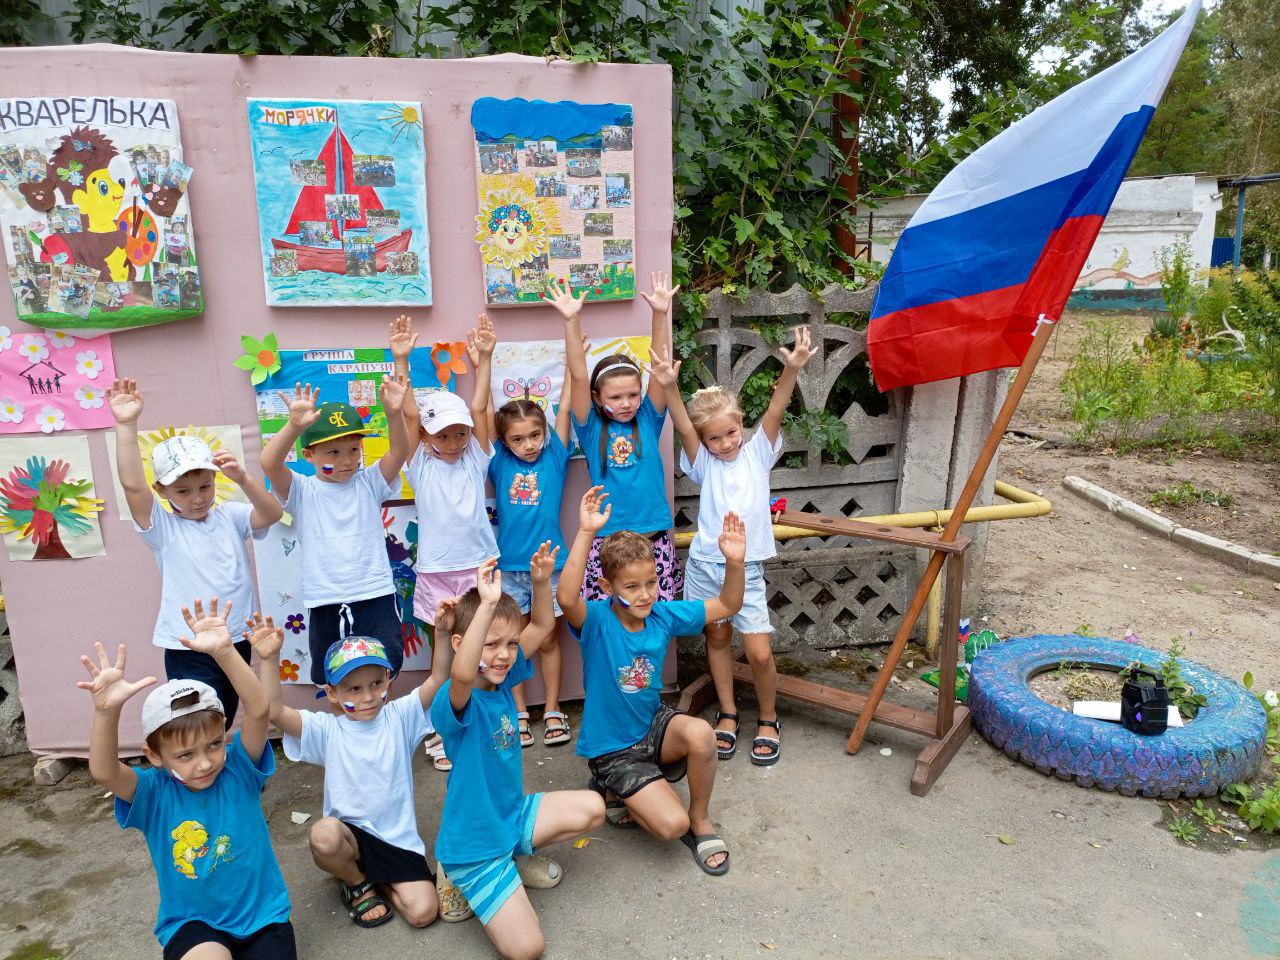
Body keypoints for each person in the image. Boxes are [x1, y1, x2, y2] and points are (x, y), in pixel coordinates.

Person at [77, 599, 295, 959]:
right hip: (194, 924)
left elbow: (258, 709)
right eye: (185, 755)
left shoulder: (239, 768)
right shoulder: (152, 793)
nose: (205, 763)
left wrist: (225, 652)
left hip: (264, 918)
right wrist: (107, 711)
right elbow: (104, 771)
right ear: (154, 756)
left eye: (213, 745)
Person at [557, 487, 746, 877]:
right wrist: (585, 532)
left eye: (650, 582)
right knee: (668, 826)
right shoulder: (596, 620)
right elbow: (565, 596)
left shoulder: (662, 614)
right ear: (608, 588)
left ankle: (701, 819)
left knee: (702, 736)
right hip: (613, 748)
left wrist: (736, 563)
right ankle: (610, 783)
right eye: (631, 586)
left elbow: (728, 605)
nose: (644, 595)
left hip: (653, 724)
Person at [649, 326, 813, 765]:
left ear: (741, 424)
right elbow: (682, 424)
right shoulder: (703, 464)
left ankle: (768, 716)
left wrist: (792, 368)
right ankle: (726, 712)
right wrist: (668, 385)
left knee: (758, 651)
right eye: (713, 438)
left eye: (729, 432)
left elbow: (776, 408)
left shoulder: (759, 452)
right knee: (717, 640)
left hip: (746, 569)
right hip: (705, 565)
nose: (723, 443)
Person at [432, 549, 604, 960]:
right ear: (464, 644)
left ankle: (512, 857)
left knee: (594, 808)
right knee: (529, 948)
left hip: (509, 816)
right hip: (473, 847)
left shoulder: (504, 682)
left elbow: (544, 625)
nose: (505, 654)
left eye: (510, 644)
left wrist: (541, 581)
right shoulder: (456, 700)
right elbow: (459, 670)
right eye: (491, 644)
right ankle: (454, 876)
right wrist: (487, 602)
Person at [249, 612, 456, 929]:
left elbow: (439, 679)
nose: (368, 696)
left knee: (424, 913)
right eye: (354, 689)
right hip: (351, 838)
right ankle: (357, 882)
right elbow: (275, 711)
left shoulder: (400, 716)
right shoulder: (327, 730)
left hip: (398, 842)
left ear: (389, 678)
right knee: (323, 836)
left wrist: (441, 634)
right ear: (332, 693)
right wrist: (269, 658)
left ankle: (380, 880)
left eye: (375, 683)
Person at [108, 377, 283, 726]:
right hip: (188, 645)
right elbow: (132, 484)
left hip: (236, 638)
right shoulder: (162, 528)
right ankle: (193, 775)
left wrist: (244, 479)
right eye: (184, 491)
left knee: (225, 716)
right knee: (196, 720)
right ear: (161, 489)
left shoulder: (230, 516)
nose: (198, 497)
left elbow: (272, 514)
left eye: (205, 485)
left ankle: (216, 774)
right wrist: (126, 423)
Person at [390, 313, 497, 768]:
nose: (453, 441)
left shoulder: (475, 458)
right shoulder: (421, 465)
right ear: (427, 436)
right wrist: (402, 360)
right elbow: (410, 414)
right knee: (442, 663)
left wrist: (484, 361)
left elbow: (479, 409)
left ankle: (482, 722)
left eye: (459, 433)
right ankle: (433, 729)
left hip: (480, 569)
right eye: (442, 434)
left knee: (487, 653)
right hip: (436, 573)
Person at [259, 373, 411, 686]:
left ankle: (382, 731)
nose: (347, 461)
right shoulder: (302, 490)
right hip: (326, 600)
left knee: (382, 670)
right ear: (309, 455)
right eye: (333, 453)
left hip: (376, 595)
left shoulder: (369, 482)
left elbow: (398, 452)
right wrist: (294, 427)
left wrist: (394, 414)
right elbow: (270, 463)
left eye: (354, 450)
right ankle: (341, 731)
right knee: (334, 677)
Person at [552, 272, 683, 601]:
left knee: (654, 624)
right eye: (615, 397)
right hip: (609, 546)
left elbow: (660, 367)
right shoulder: (591, 426)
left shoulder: (649, 418)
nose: (626, 403)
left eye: (632, 394)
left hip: (654, 542)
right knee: (607, 628)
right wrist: (571, 320)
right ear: (597, 398)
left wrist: (660, 313)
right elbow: (579, 375)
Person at [484, 321, 580, 749]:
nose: (529, 444)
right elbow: (482, 416)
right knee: (514, 644)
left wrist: (569, 336)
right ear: (504, 443)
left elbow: (564, 407)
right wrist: (483, 358)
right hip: (510, 569)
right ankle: (519, 711)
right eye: (519, 439)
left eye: (535, 435)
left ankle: (554, 708)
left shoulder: (556, 456)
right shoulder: (498, 462)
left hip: (550, 566)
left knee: (548, 640)